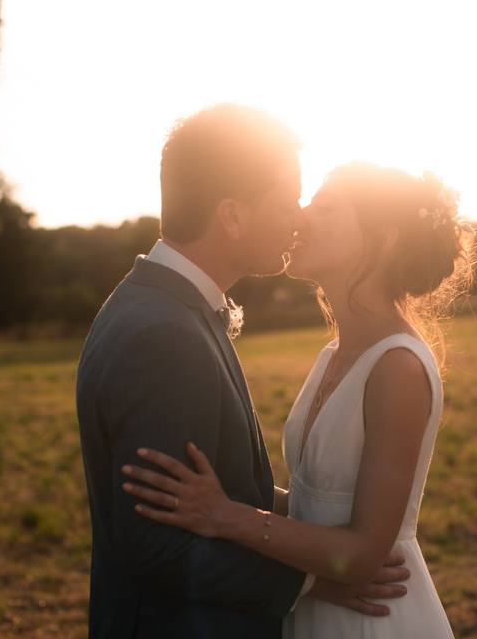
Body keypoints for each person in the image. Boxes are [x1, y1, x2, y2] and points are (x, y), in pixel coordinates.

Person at [75, 106, 411, 639]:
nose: (299, 219)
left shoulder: (167, 309)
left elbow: (228, 490)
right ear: (232, 216)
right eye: (287, 202)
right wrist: (309, 583)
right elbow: (158, 543)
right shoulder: (162, 334)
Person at [122, 161, 477, 637]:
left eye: (325, 208)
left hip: (371, 618)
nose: (301, 218)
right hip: (315, 608)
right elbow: (320, 504)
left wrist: (229, 517)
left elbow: (363, 555)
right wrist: (220, 489)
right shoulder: (334, 352)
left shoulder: (398, 367)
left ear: (385, 238)